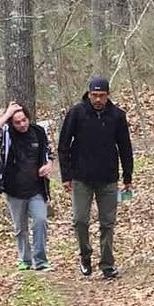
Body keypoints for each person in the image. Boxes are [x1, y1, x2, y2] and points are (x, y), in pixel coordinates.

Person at [57, 76, 133, 280]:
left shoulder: (117, 116)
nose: (98, 99)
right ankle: (85, 256)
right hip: (81, 177)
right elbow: (63, 145)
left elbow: (125, 147)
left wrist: (128, 176)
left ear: (108, 95)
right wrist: (66, 175)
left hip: (108, 177)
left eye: (101, 95)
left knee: (108, 222)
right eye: (94, 95)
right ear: (88, 94)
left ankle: (107, 264)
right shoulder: (76, 113)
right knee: (80, 220)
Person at [0, 100, 54, 271]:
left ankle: (41, 261)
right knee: (20, 227)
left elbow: (49, 151)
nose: (22, 124)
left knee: (40, 221)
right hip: (14, 189)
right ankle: (25, 259)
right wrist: (7, 115)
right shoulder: (7, 135)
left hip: (36, 188)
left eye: (24, 120)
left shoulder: (38, 132)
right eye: (17, 122)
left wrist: (49, 164)